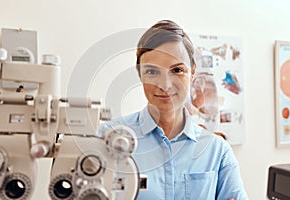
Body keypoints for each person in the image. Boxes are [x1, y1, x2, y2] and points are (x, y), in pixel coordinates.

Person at [99, 20, 248, 199]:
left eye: (177, 70)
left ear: (192, 73)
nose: (165, 85)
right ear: (139, 74)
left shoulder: (217, 151)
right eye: (152, 72)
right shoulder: (105, 138)